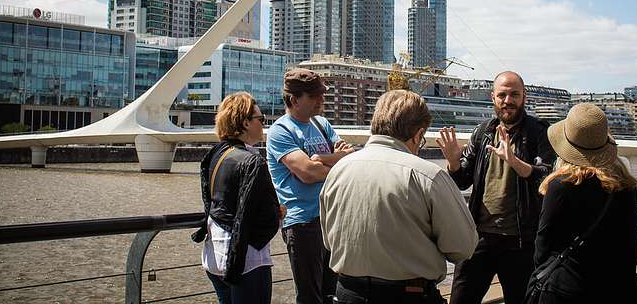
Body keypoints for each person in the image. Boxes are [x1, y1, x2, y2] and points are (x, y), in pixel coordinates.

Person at [320, 89, 478, 303]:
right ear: (417, 134)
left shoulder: (339, 170)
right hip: (407, 294)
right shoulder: (429, 175)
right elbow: (463, 247)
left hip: (348, 291)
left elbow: (329, 241)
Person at [436, 71, 556, 304]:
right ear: (493, 97)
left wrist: (515, 162)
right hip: (479, 238)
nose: (508, 100)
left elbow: (549, 178)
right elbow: (463, 181)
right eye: (502, 95)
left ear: (524, 97)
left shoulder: (540, 132)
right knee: (461, 298)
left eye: (514, 95)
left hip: (521, 242)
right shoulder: (483, 132)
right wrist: (452, 162)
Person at [534, 103, 637, 303]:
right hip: (619, 289)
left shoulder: (561, 186)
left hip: (570, 290)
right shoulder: (626, 185)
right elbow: (628, 244)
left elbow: (543, 245)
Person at [266, 68, 354, 304]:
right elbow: (307, 173)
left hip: (330, 219)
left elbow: (350, 157)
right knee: (310, 296)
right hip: (302, 223)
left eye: (321, 95)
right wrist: (334, 162)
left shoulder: (321, 123)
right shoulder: (280, 131)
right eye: (314, 96)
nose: (321, 100)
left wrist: (321, 159)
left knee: (333, 293)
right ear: (294, 99)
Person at [192, 92, 281, 304]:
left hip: (214, 255)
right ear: (245, 123)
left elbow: (215, 201)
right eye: (261, 119)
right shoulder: (252, 162)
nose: (264, 124)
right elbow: (264, 215)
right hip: (246, 261)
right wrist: (279, 213)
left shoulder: (215, 154)